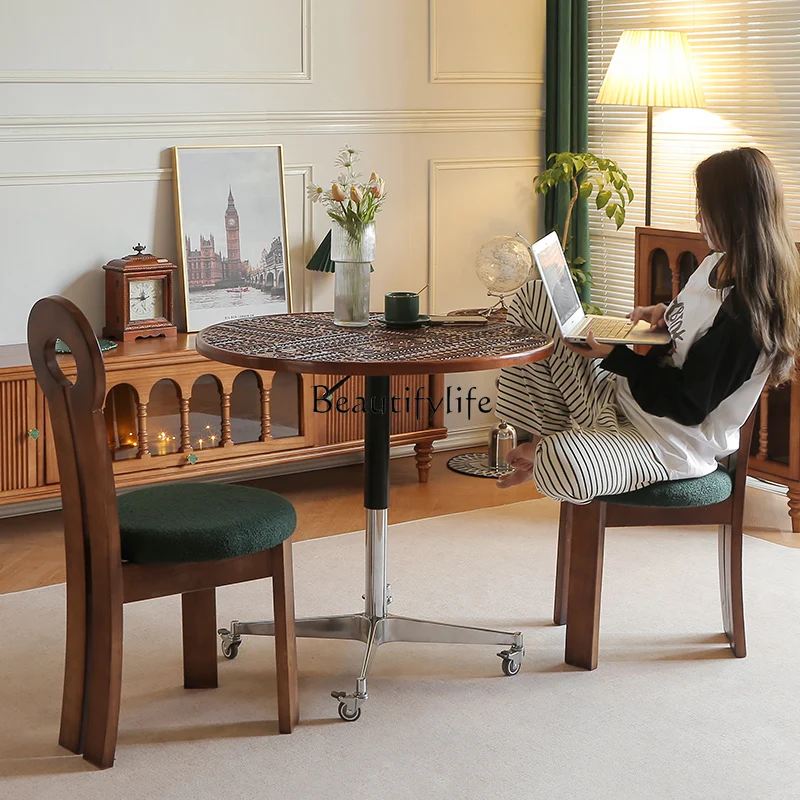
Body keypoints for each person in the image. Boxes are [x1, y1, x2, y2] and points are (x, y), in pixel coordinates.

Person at [495, 147, 800, 502]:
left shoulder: (748, 314)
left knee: (566, 463)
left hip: (667, 440)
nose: (698, 215)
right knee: (535, 297)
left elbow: (688, 405)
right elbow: (693, 337)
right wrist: (665, 316)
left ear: (736, 212)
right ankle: (547, 439)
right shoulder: (715, 264)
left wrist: (616, 354)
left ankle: (559, 448)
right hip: (625, 400)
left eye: (705, 206)